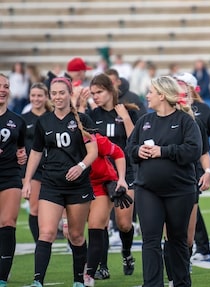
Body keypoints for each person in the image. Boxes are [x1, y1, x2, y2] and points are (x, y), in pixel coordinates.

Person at [126, 75, 202, 287]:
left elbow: (193, 150)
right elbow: (129, 149)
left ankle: (181, 283)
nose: (147, 96)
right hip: (147, 190)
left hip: (180, 191)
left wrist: (163, 151)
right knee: (150, 240)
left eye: (150, 92)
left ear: (162, 95)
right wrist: (138, 150)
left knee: (177, 240)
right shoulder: (144, 122)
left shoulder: (185, 121)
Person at [22, 77, 98, 287]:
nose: (57, 97)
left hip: (78, 186)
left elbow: (93, 151)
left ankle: (78, 280)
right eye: (53, 93)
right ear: (50, 96)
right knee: (46, 232)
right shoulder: (43, 121)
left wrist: (80, 166)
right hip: (51, 184)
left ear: (69, 93)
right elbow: (36, 153)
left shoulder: (82, 119)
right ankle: (38, 281)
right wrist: (27, 180)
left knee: (75, 235)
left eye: (61, 93)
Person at [174, 72, 210, 261]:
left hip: (195, 167)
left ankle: (200, 247)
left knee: (192, 208)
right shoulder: (171, 108)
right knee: (187, 209)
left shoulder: (203, 110)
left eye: (181, 83)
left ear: (190, 87)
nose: (178, 86)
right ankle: (195, 247)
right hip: (175, 166)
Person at [85, 73, 139, 278]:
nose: (95, 97)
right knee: (100, 223)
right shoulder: (92, 115)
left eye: (99, 92)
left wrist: (125, 117)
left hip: (126, 173)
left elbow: (135, 141)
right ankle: (102, 267)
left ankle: (126, 253)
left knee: (124, 223)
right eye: (93, 93)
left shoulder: (129, 111)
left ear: (110, 91)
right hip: (101, 175)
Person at [164, 78, 210, 286]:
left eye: (186, 93)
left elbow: (203, 153)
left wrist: (208, 171)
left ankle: (183, 275)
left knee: (188, 238)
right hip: (165, 184)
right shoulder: (158, 120)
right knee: (169, 236)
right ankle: (173, 278)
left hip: (188, 183)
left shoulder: (196, 122)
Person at [83, 132, 129, 287]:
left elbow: (118, 152)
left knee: (97, 225)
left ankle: (90, 274)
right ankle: (85, 271)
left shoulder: (95, 139)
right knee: (74, 233)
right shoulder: (57, 138)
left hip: (101, 184)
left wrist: (121, 179)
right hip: (76, 186)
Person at [0, 73, 27, 287]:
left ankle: (2, 276)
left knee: (8, 222)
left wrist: (23, 155)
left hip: (10, 176)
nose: (2, 89)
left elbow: (21, 149)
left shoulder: (17, 120)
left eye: (6, 86)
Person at [21, 83, 53, 242]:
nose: (36, 99)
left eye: (40, 95)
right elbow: (19, 148)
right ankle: (39, 244)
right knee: (34, 208)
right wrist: (24, 176)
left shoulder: (52, 116)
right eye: (33, 95)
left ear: (46, 96)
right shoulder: (23, 119)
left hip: (54, 168)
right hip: (34, 171)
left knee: (60, 209)